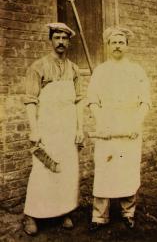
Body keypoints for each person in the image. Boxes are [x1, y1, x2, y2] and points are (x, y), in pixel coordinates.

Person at [87, 26, 151, 230]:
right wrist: (101, 123)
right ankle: (100, 215)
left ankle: (128, 211)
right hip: (106, 126)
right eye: (113, 42)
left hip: (129, 126)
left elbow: (145, 101)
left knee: (127, 169)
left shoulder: (137, 70)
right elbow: (93, 101)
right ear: (107, 46)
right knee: (104, 169)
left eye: (121, 42)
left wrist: (136, 123)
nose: (117, 46)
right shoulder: (100, 71)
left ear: (127, 46)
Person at [23, 22, 84, 235]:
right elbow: (30, 101)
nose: (60, 42)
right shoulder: (38, 67)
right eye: (56, 37)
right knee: (43, 171)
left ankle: (63, 210)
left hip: (67, 128)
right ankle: (31, 214)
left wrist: (80, 128)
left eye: (64, 38)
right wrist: (34, 130)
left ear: (69, 42)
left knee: (66, 171)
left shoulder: (75, 69)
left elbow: (78, 102)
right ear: (51, 40)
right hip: (47, 127)